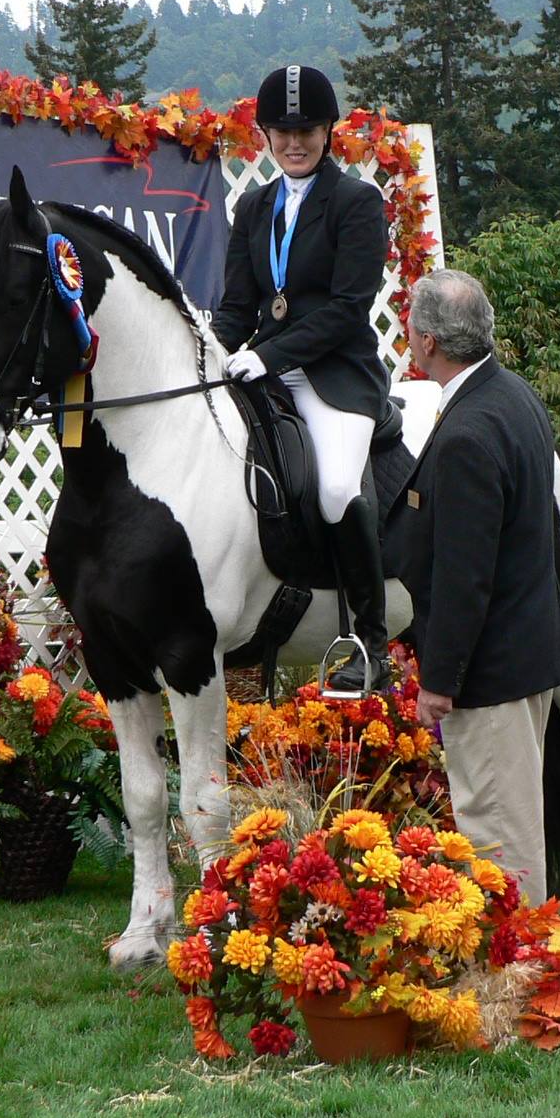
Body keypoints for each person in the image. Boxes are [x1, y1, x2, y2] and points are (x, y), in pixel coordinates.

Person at [384, 269, 560, 901]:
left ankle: (518, 983)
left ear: (430, 341)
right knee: (513, 827)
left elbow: (467, 578)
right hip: (528, 655)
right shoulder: (514, 395)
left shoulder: (469, 432)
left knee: (499, 846)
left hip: (491, 673)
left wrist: (439, 681)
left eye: (413, 325)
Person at [212, 64, 391, 692]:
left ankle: (371, 643)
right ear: (264, 134)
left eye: (307, 130)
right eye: (282, 131)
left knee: (339, 488)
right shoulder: (253, 207)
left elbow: (349, 309)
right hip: (263, 370)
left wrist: (272, 354)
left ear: (327, 132)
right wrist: (211, 353)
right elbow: (237, 308)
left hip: (337, 373)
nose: (294, 142)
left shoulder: (358, 202)